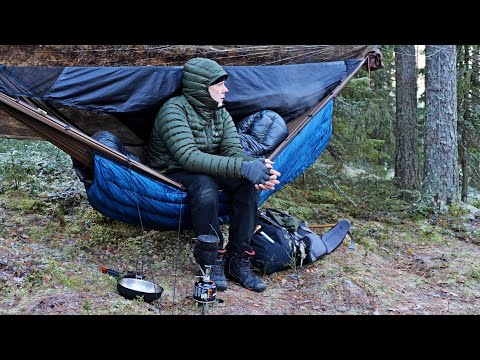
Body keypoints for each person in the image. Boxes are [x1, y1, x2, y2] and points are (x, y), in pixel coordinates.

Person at [147, 57, 280, 292]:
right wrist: (242, 167)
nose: (225, 89)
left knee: (246, 185)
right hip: (172, 170)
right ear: (202, 87)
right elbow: (189, 157)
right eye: (219, 84)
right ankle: (212, 259)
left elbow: (232, 151)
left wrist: (258, 168)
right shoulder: (173, 110)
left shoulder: (219, 112)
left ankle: (237, 259)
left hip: (207, 165)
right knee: (205, 186)